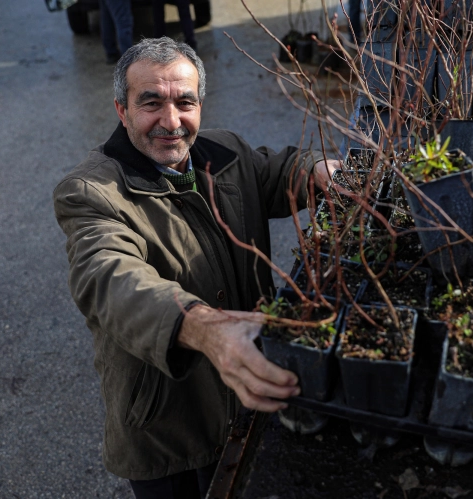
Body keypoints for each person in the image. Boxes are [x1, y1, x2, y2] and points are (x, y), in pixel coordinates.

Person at [53, 37, 338, 498]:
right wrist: (201, 326)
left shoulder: (225, 153)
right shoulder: (91, 193)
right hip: (170, 432)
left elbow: (279, 171)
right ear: (122, 110)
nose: (171, 121)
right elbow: (109, 279)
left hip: (249, 397)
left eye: (184, 102)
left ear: (200, 105)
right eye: (151, 103)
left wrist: (317, 168)